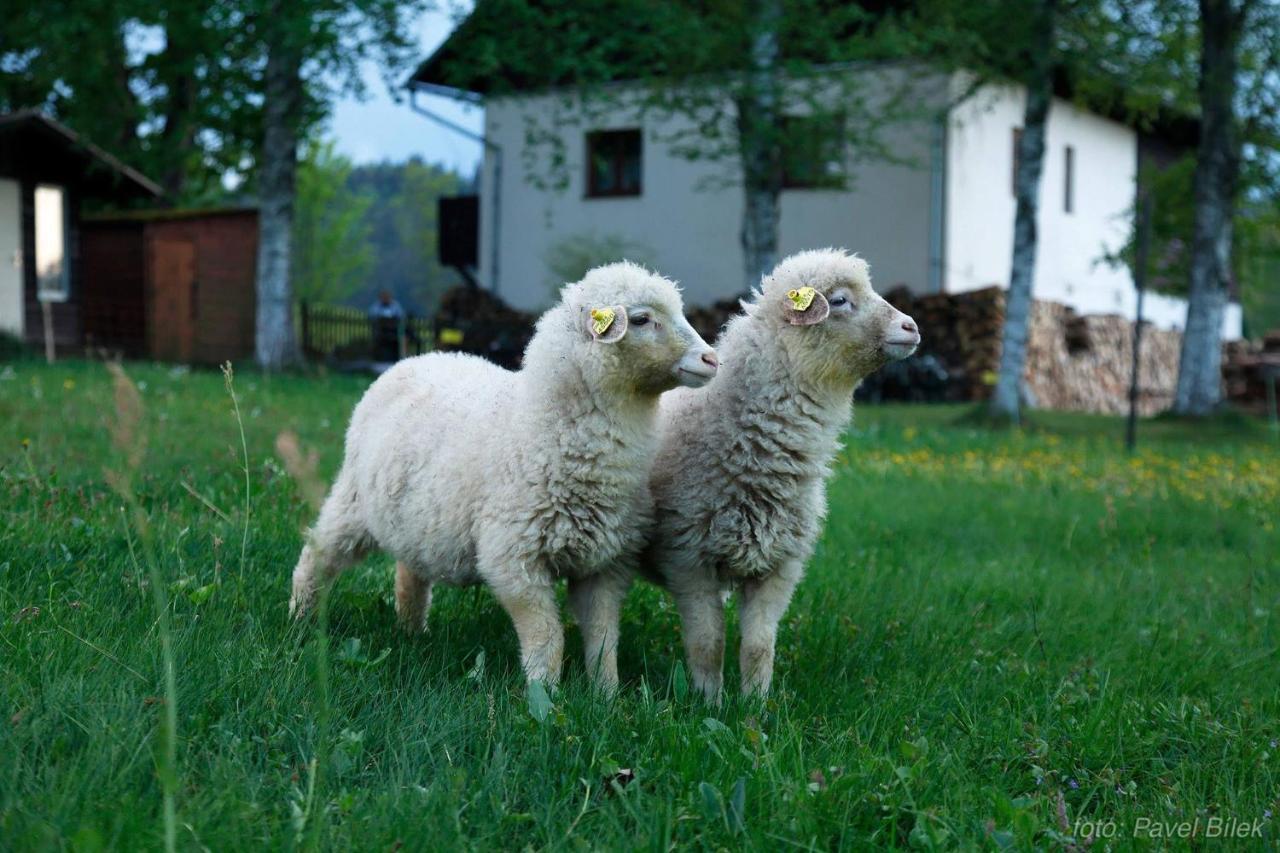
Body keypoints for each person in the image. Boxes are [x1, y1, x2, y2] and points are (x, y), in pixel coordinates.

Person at [368, 289, 404, 363]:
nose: (385, 298)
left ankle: (394, 359)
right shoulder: (376, 306)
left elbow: (400, 316)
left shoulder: (395, 305)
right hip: (380, 332)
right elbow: (372, 316)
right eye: (383, 297)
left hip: (393, 332)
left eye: (387, 297)